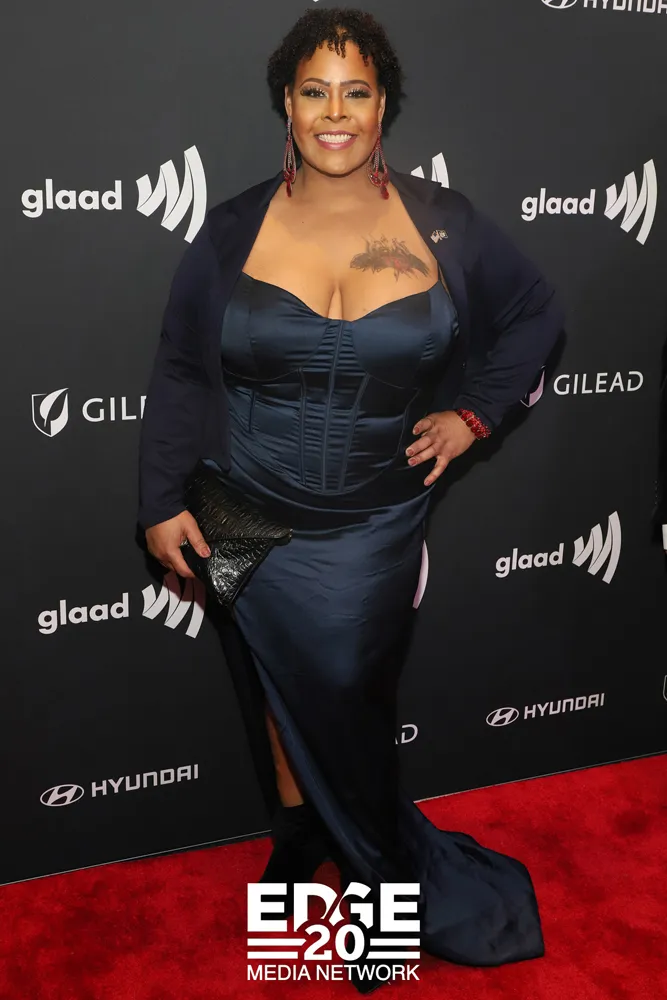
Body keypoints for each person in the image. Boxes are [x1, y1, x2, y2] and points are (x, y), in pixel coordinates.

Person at [138, 7, 564, 992]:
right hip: (238, 509)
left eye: (356, 92)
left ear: (384, 107)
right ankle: (298, 845)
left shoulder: (445, 223)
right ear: (285, 106)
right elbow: (180, 372)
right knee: (274, 694)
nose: (335, 113)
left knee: (347, 707)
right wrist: (160, 499)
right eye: (314, 92)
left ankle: (377, 897)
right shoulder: (230, 229)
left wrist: (475, 415)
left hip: (369, 522)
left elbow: (535, 314)